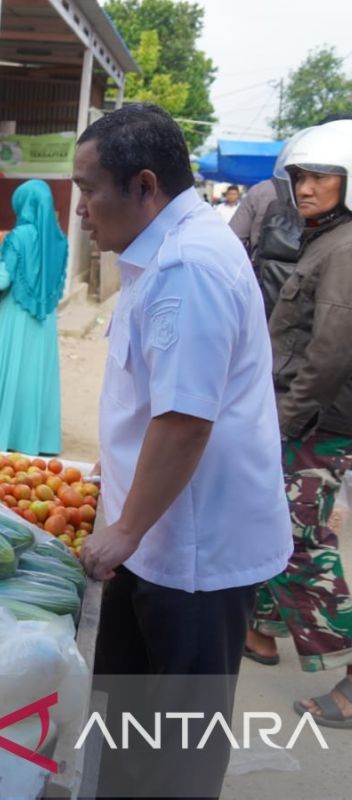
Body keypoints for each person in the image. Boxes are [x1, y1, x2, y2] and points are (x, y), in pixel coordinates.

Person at [72, 103, 291, 797]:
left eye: (87, 189)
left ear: (143, 185)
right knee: (127, 722)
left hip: (192, 552)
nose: (79, 209)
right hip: (160, 540)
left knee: (175, 751)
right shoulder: (166, 250)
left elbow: (185, 422)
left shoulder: (188, 265)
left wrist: (127, 528)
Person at [246, 119, 352, 728]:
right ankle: (258, 634)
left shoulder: (343, 249)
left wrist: (284, 423)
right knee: (272, 519)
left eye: (321, 177)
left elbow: (330, 352)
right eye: (300, 176)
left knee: (298, 542)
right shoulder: (325, 239)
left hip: (316, 420)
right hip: (302, 412)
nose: (306, 188)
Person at [0, 179, 66, 454]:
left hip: (15, 315)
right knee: (35, 377)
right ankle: (36, 442)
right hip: (44, 320)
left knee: (3, 375)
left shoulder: (18, 236)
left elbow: (1, 281)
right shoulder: (58, 239)